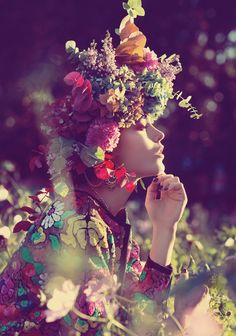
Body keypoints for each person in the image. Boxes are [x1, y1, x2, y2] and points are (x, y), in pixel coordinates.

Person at [0, 1, 206, 335]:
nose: (159, 133)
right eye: (142, 124)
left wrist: (164, 228)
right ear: (106, 138)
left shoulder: (104, 223)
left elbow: (135, 320)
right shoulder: (80, 224)